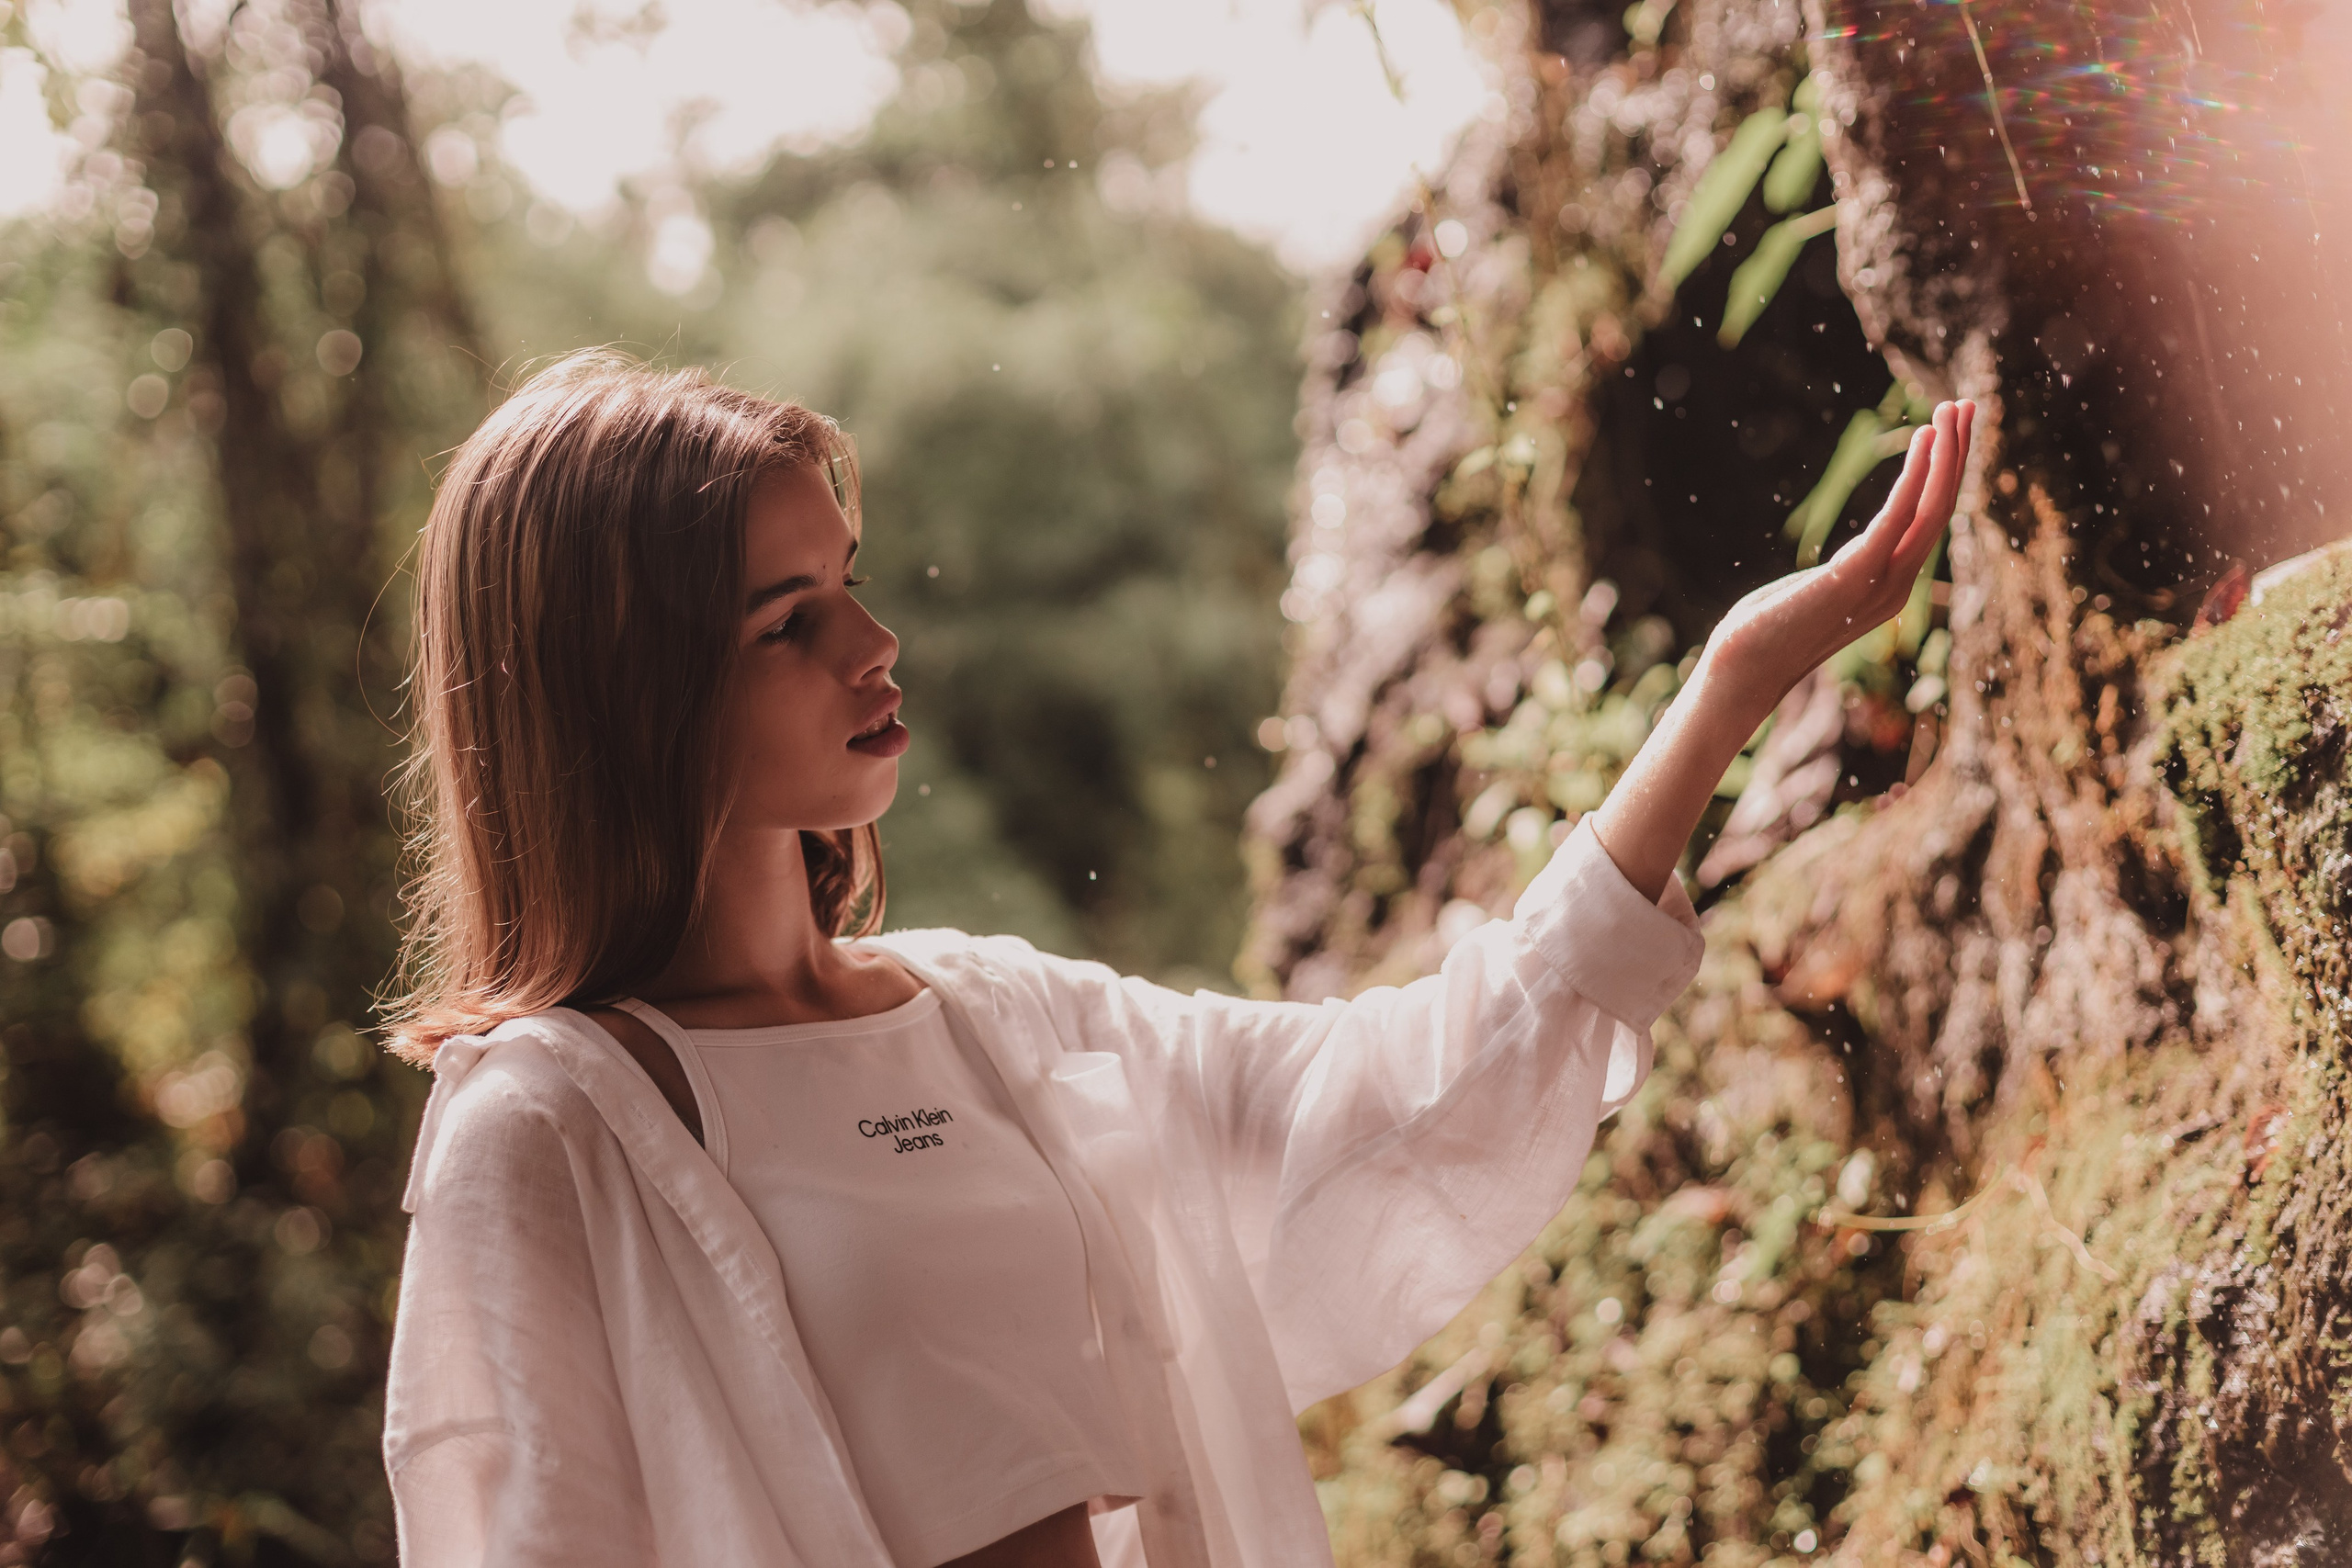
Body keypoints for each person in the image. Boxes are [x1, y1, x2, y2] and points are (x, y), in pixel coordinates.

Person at [379, 349, 1973, 1568]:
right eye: (784, 621)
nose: (872, 647)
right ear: (621, 692)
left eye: (850, 582)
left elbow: (1413, 1087)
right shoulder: (554, 1130)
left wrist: (1728, 689)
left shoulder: (1000, 1021)